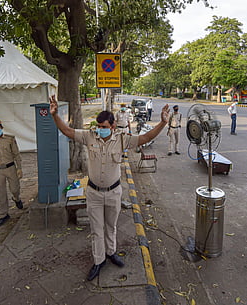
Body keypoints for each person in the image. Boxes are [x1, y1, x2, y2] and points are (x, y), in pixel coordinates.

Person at [49, 95, 170, 281]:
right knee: (96, 229)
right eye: (98, 126)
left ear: (113, 127)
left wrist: (162, 123)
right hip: (93, 193)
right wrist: (55, 115)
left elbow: (146, 137)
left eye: (104, 127)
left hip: (114, 192)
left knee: (111, 226)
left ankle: (111, 252)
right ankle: (99, 261)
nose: (100, 130)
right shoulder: (89, 136)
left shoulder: (123, 139)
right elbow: (66, 130)